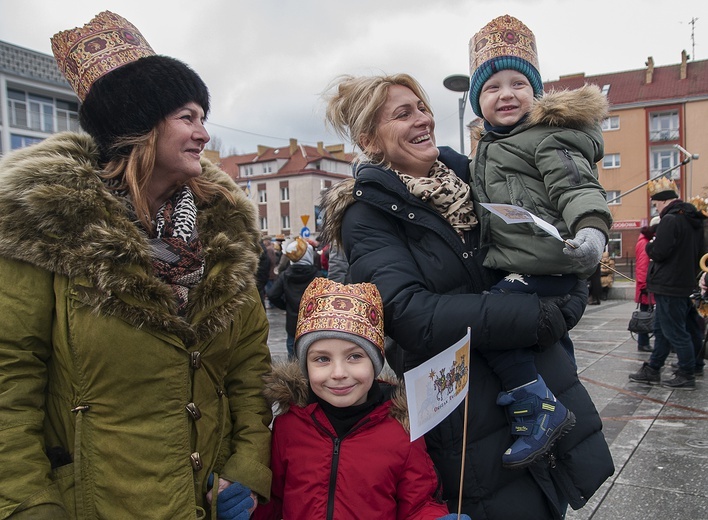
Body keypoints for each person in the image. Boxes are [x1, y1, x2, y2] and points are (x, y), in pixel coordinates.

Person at [0, 11, 272, 519]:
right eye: (188, 117)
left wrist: (248, 463)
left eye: (203, 118)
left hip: (207, 500)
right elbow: (9, 380)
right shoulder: (46, 227)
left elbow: (249, 365)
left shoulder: (224, 235)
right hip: (97, 501)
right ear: (138, 125)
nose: (204, 134)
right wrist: (28, 504)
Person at [321, 71, 614, 519]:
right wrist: (535, 316)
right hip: (466, 413)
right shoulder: (369, 215)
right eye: (403, 114)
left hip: (543, 386)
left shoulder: (477, 171)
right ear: (370, 139)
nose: (423, 120)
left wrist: (568, 300)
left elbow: (548, 243)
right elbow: (410, 314)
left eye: (422, 108)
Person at [466, 14, 613, 468]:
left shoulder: (547, 137)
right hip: (521, 265)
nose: (505, 94)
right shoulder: (489, 148)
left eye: (517, 84)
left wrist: (591, 230)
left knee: (489, 324)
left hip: (551, 264)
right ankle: (534, 402)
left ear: (536, 93)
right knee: (493, 325)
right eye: (491, 87)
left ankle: (539, 408)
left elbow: (576, 186)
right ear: (478, 102)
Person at [254, 278, 466, 520]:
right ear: (305, 365)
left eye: (354, 356)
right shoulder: (289, 425)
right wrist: (249, 507)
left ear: (375, 363)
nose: (338, 373)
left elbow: (418, 504)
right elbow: (274, 499)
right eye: (322, 359)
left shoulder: (401, 430)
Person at [629, 178, 706, 389]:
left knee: (674, 331)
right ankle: (654, 368)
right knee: (668, 329)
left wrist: (650, 247)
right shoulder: (693, 220)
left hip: (669, 284)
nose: (656, 207)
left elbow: (659, 252)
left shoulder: (670, 220)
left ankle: (686, 373)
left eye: (655, 204)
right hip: (684, 282)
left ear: (663, 202)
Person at [267, 236, 321, 359]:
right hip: (312, 325)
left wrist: (285, 306)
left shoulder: (285, 275)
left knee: (293, 361)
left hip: (293, 324)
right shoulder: (317, 276)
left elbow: (272, 294)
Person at [634, 216, 659, 352]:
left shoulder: (644, 241)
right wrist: (644, 286)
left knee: (646, 314)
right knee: (645, 315)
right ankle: (643, 343)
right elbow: (643, 266)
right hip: (646, 287)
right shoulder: (645, 243)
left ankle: (643, 342)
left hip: (646, 285)